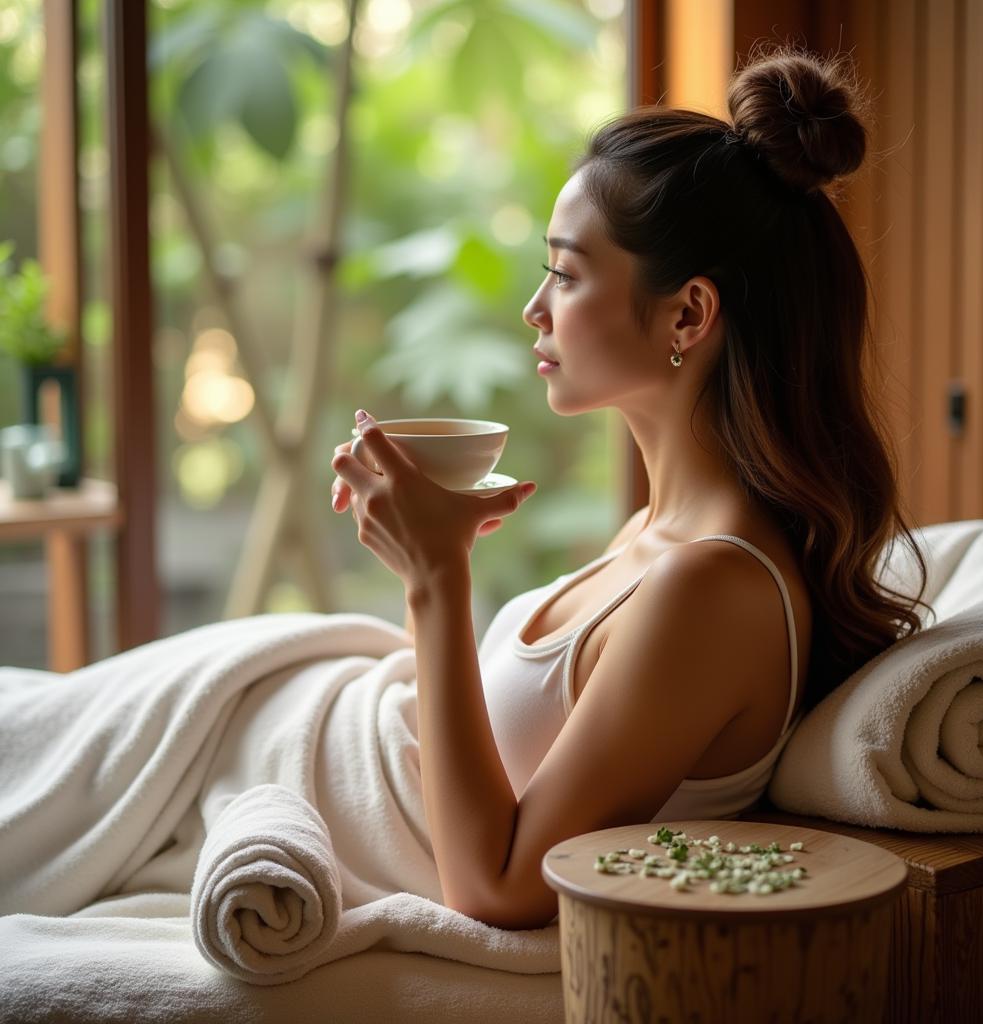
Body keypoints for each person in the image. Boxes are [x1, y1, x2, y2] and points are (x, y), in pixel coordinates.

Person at [328, 43, 929, 931]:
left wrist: (436, 578)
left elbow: (497, 889)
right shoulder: (657, 532)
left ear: (688, 313)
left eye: (566, 274)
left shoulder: (712, 588)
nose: (536, 309)